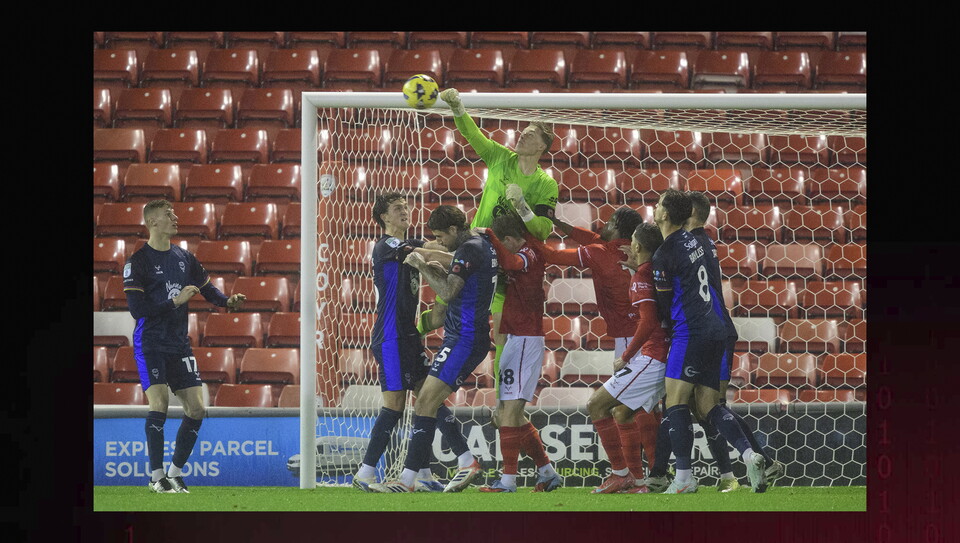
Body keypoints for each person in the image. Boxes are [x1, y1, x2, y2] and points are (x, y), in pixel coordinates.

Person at [437, 87, 559, 416]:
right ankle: (426, 372)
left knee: (501, 329)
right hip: (475, 253)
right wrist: (458, 107)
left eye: (531, 133)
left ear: (542, 146)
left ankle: (501, 402)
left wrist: (523, 207)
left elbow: (545, 232)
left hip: (507, 266)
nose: (522, 134)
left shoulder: (546, 185)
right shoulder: (500, 158)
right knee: (441, 306)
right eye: (523, 130)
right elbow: (472, 134)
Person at [352, 192, 479, 493]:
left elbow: (432, 248)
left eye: (406, 207)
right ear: (383, 217)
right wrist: (474, 260)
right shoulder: (388, 246)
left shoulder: (410, 246)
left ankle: (427, 472)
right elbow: (434, 252)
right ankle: (365, 473)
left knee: (429, 400)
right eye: (397, 209)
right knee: (395, 407)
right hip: (391, 337)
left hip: (408, 336)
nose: (404, 212)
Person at [122, 199, 246, 493]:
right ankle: (156, 477)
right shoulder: (137, 262)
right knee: (160, 404)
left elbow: (207, 288)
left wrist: (227, 301)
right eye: (168, 215)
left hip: (179, 345)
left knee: (197, 409)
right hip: (150, 343)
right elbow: (137, 309)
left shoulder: (184, 257)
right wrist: (174, 302)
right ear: (152, 222)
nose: (175, 218)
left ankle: (175, 473)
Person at [650, 189, 766, 494]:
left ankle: (684, 478)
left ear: (665, 214)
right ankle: (750, 455)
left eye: (658, 204)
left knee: (675, 402)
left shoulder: (664, 254)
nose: (655, 207)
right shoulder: (696, 241)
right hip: (716, 329)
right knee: (707, 405)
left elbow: (662, 308)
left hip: (691, 331)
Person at [543, 207, 661, 482]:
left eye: (609, 222)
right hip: (643, 337)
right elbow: (590, 237)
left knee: (635, 409)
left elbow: (555, 254)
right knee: (639, 408)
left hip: (633, 340)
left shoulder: (602, 252)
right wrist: (558, 221)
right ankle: (641, 475)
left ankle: (643, 475)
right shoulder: (630, 251)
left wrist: (527, 229)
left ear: (618, 228)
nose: (603, 225)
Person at [473, 213, 562, 493]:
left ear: (509, 239)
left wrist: (488, 233)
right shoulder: (523, 250)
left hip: (526, 339)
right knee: (506, 414)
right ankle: (547, 472)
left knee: (510, 412)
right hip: (516, 338)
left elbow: (512, 262)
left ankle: (508, 481)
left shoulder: (530, 252)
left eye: (502, 243)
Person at [585, 222, 669, 494]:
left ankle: (621, 474)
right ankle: (641, 481)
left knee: (596, 405)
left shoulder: (641, 277)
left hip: (653, 356)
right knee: (623, 412)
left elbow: (647, 322)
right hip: (666, 354)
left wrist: (626, 355)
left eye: (632, 241)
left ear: (637, 246)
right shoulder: (656, 271)